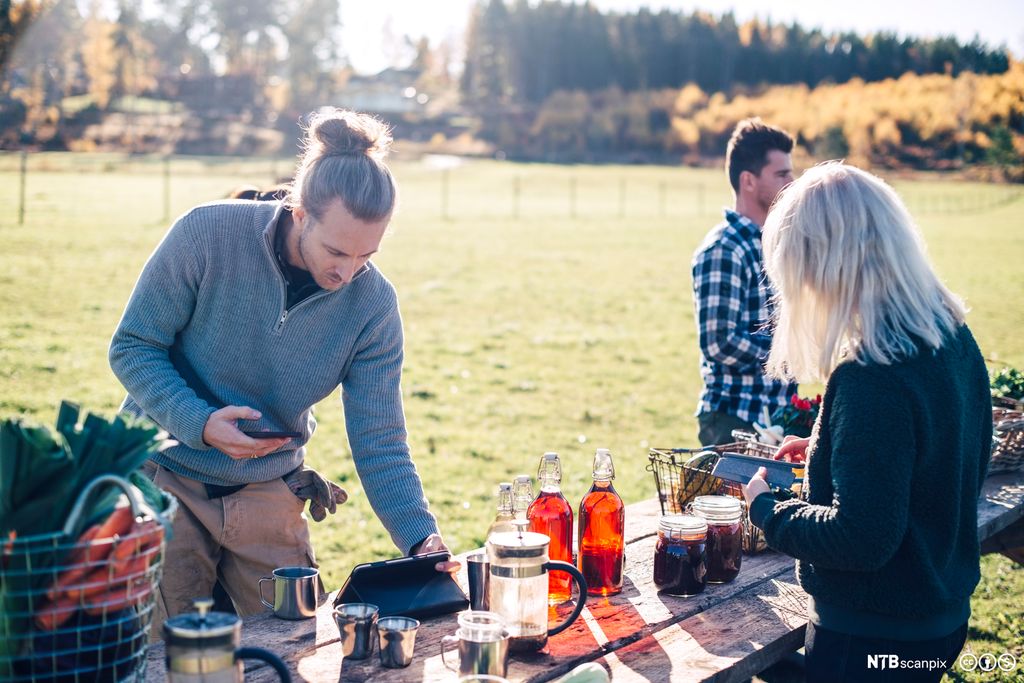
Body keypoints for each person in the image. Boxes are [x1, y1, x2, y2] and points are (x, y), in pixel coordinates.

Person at [109, 108, 456, 631]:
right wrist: (199, 423)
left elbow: (379, 438)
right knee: (169, 650)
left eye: (366, 255)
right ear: (298, 213)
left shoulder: (373, 306)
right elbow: (134, 345)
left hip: (269, 487)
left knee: (292, 645)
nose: (347, 272)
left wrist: (419, 537)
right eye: (336, 250)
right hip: (167, 478)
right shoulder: (205, 234)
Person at [742, 162, 992, 682]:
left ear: (822, 267)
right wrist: (828, 444)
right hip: (938, 622)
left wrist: (766, 510)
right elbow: (935, 452)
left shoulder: (873, 376)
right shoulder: (949, 337)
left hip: (876, 637)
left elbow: (862, 538)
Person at [692, 118, 798, 446]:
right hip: (733, 419)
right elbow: (719, 342)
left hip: (780, 414)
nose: (793, 182)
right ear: (748, 181)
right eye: (781, 174)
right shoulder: (725, 249)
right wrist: (787, 351)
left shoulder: (777, 244)